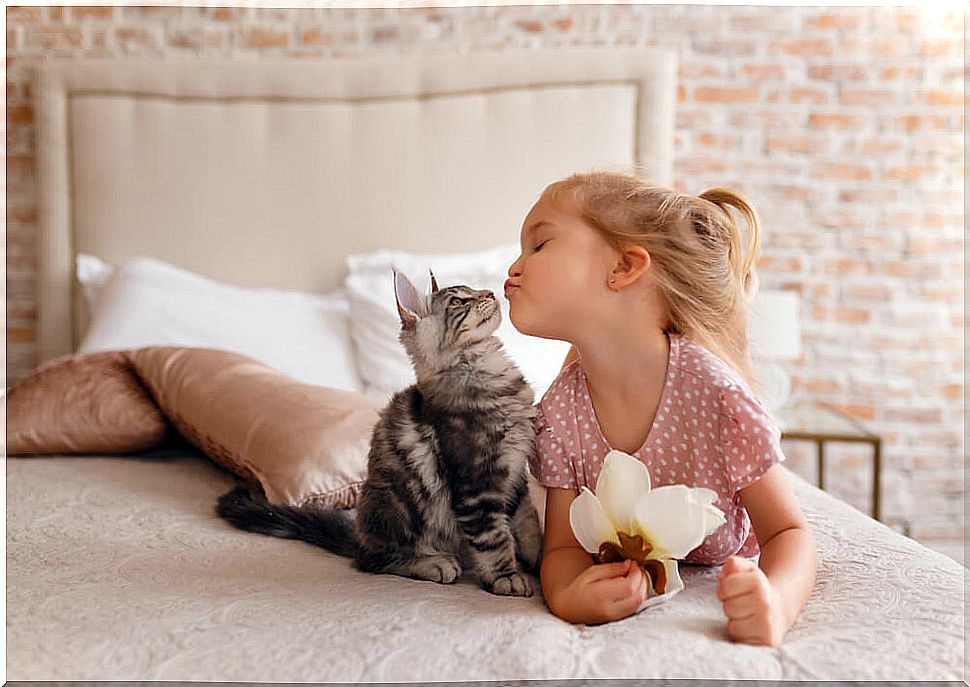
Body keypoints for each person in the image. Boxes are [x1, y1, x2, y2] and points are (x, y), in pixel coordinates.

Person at [503, 170, 816, 646]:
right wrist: (568, 595)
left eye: (540, 245)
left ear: (624, 268)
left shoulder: (716, 397)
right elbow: (563, 548)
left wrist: (777, 601)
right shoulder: (559, 411)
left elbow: (789, 533)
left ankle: (739, 313)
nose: (514, 268)